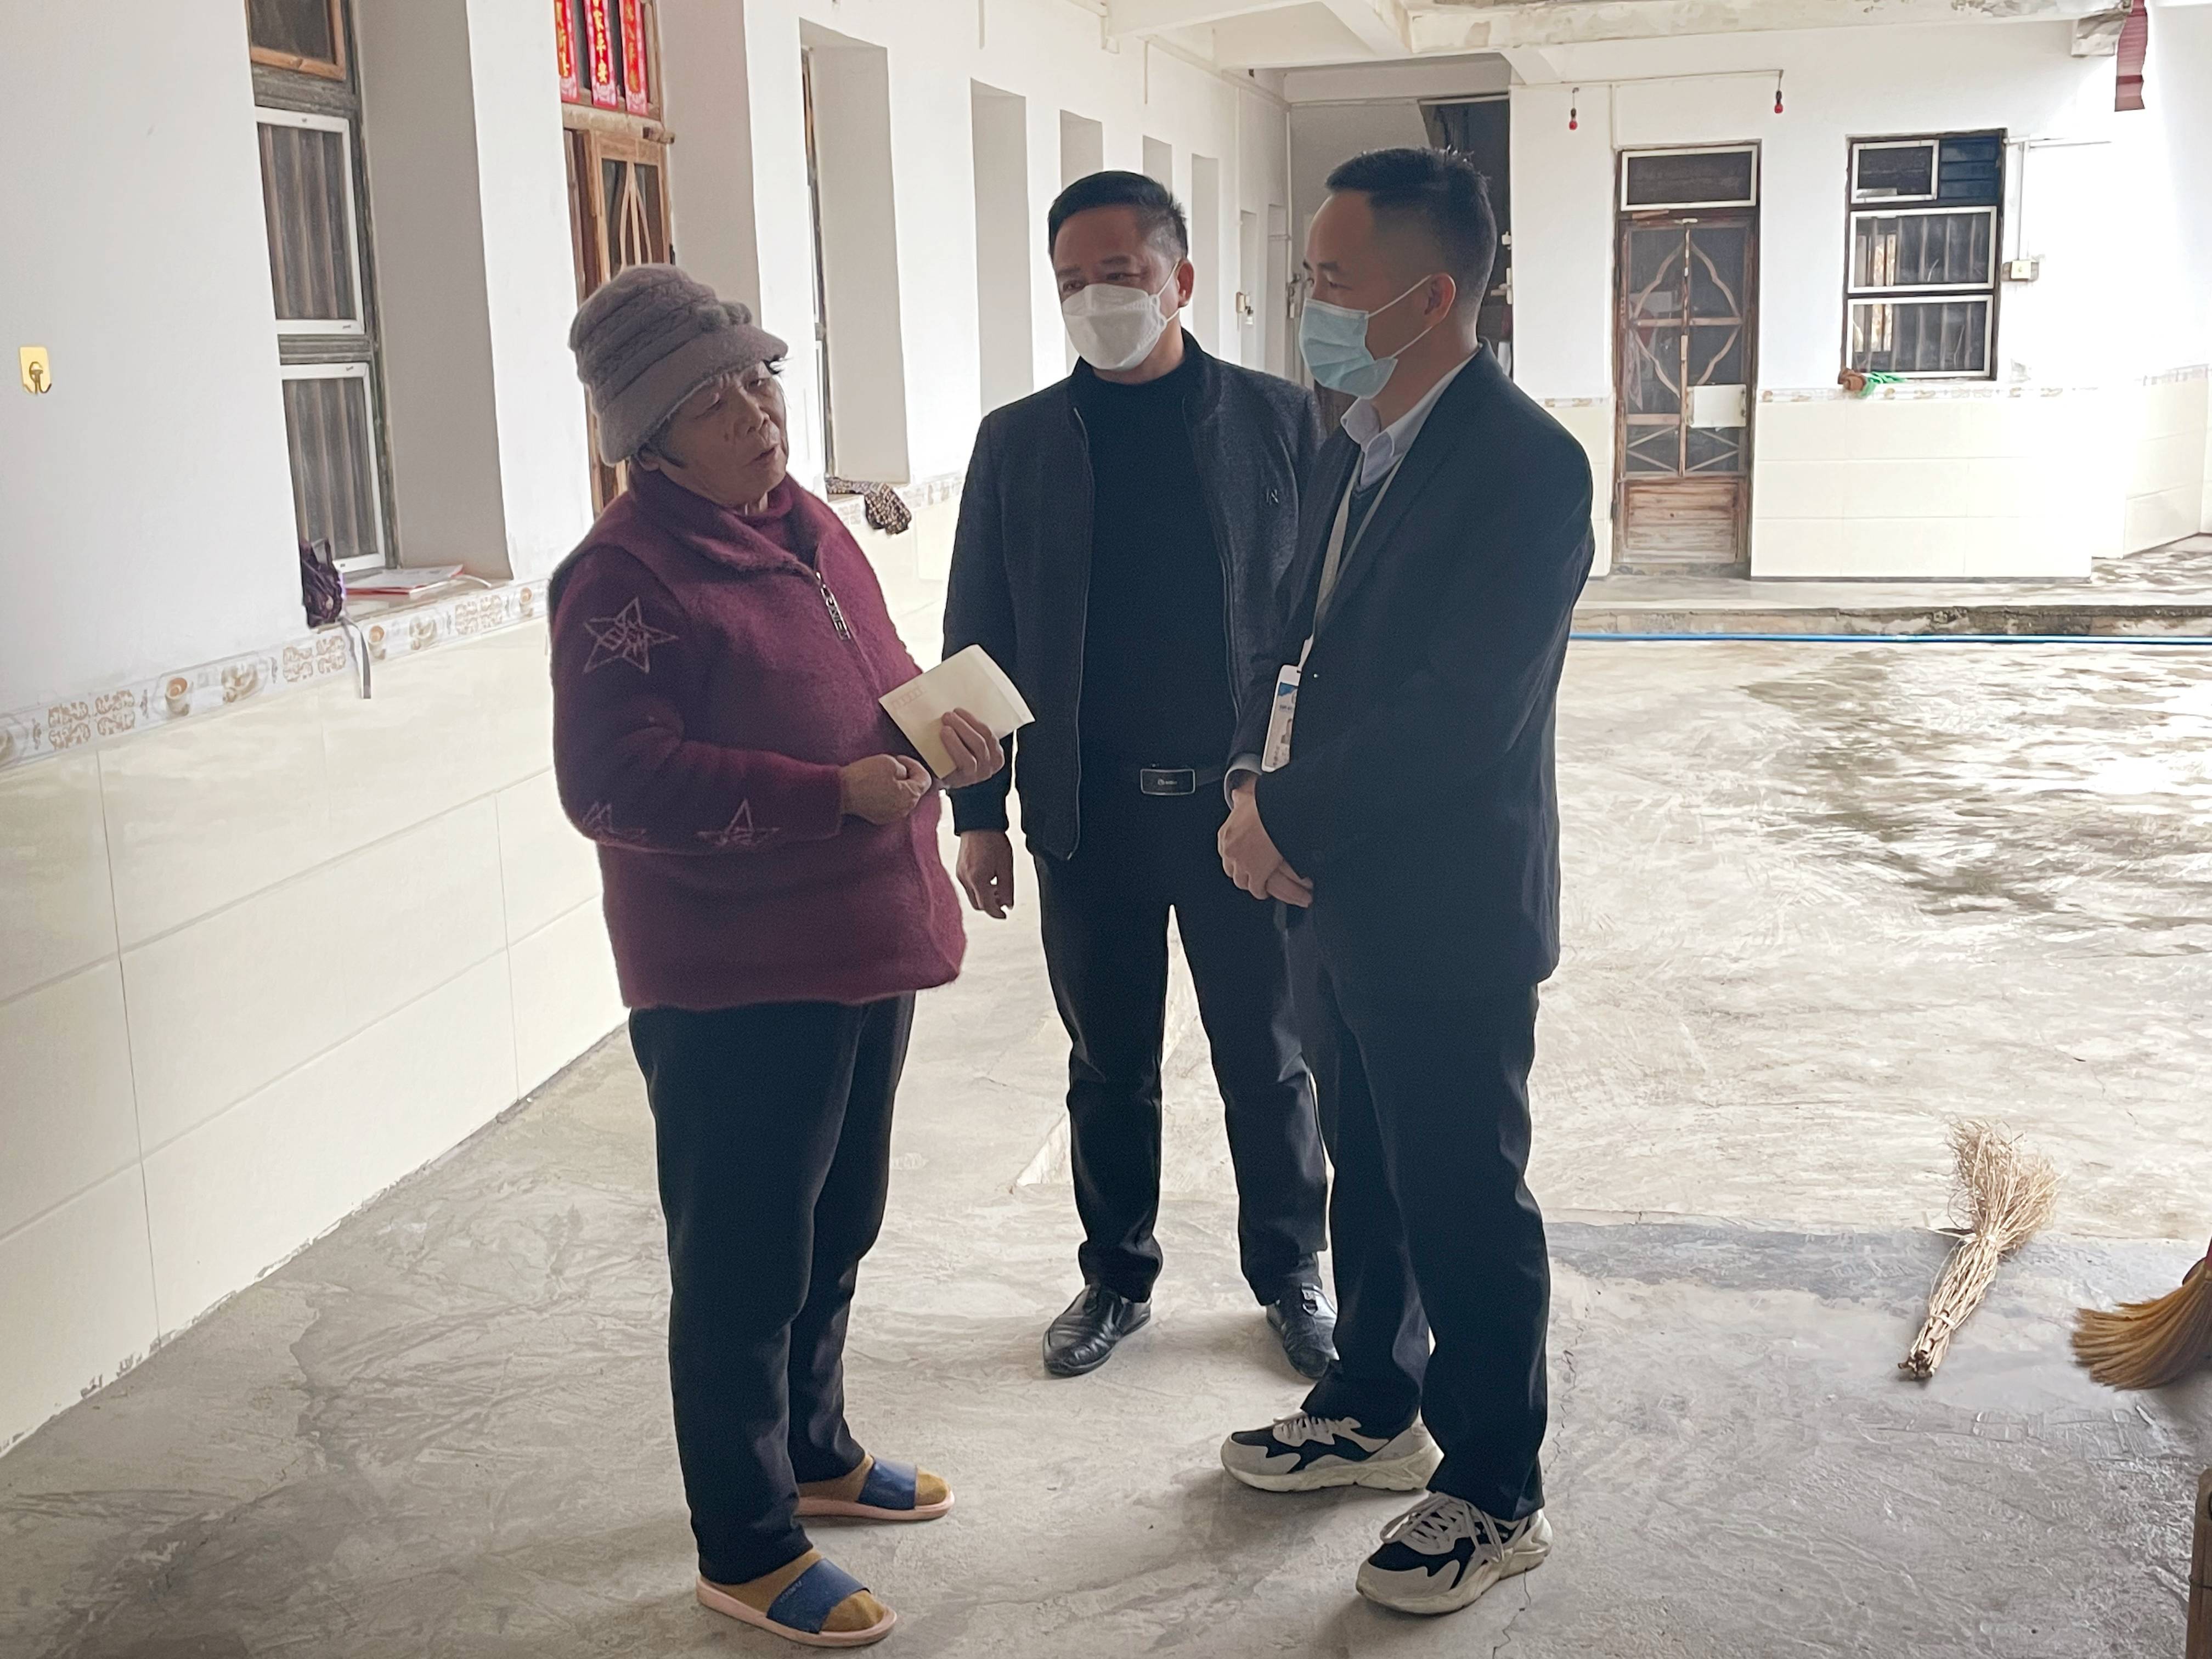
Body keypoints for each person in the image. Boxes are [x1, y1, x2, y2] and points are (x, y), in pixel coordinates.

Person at [549, 263, 1004, 1650]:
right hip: (736, 975)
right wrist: (828, 795)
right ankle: (745, 1542)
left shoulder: (801, 523)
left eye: (760, 378)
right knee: (743, 1264)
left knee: (837, 1221)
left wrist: (935, 734)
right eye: (714, 399)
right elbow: (612, 783)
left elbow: (869, 677)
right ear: (651, 437)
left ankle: (813, 1451)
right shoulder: (623, 575)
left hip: (862, 938)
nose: (757, 412)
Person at [1213, 149, 1595, 1617]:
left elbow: (1461, 712)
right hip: (1330, 890)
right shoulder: (1350, 440)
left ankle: (1496, 1488)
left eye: (1331, 279)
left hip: (1446, 907)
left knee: (1461, 1194)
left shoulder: (1526, 468)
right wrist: (1252, 787)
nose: (1307, 301)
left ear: (1431, 298)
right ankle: (1377, 1407)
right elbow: (1289, 642)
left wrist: (1285, 816)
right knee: (1365, 1168)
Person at [943, 171, 1335, 1381]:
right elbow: (977, 634)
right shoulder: (1019, 444)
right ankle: (1116, 1276)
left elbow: (1323, 625)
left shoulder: (1280, 422)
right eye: (1072, 281)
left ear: (1181, 280)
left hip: (1242, 813)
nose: (1095, 300)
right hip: (1088, 813)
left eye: (1119, 274)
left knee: (1268, 1061)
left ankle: (1292, 1274)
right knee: (1108, 1066)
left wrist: (1301, 795)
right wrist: (978, 815)